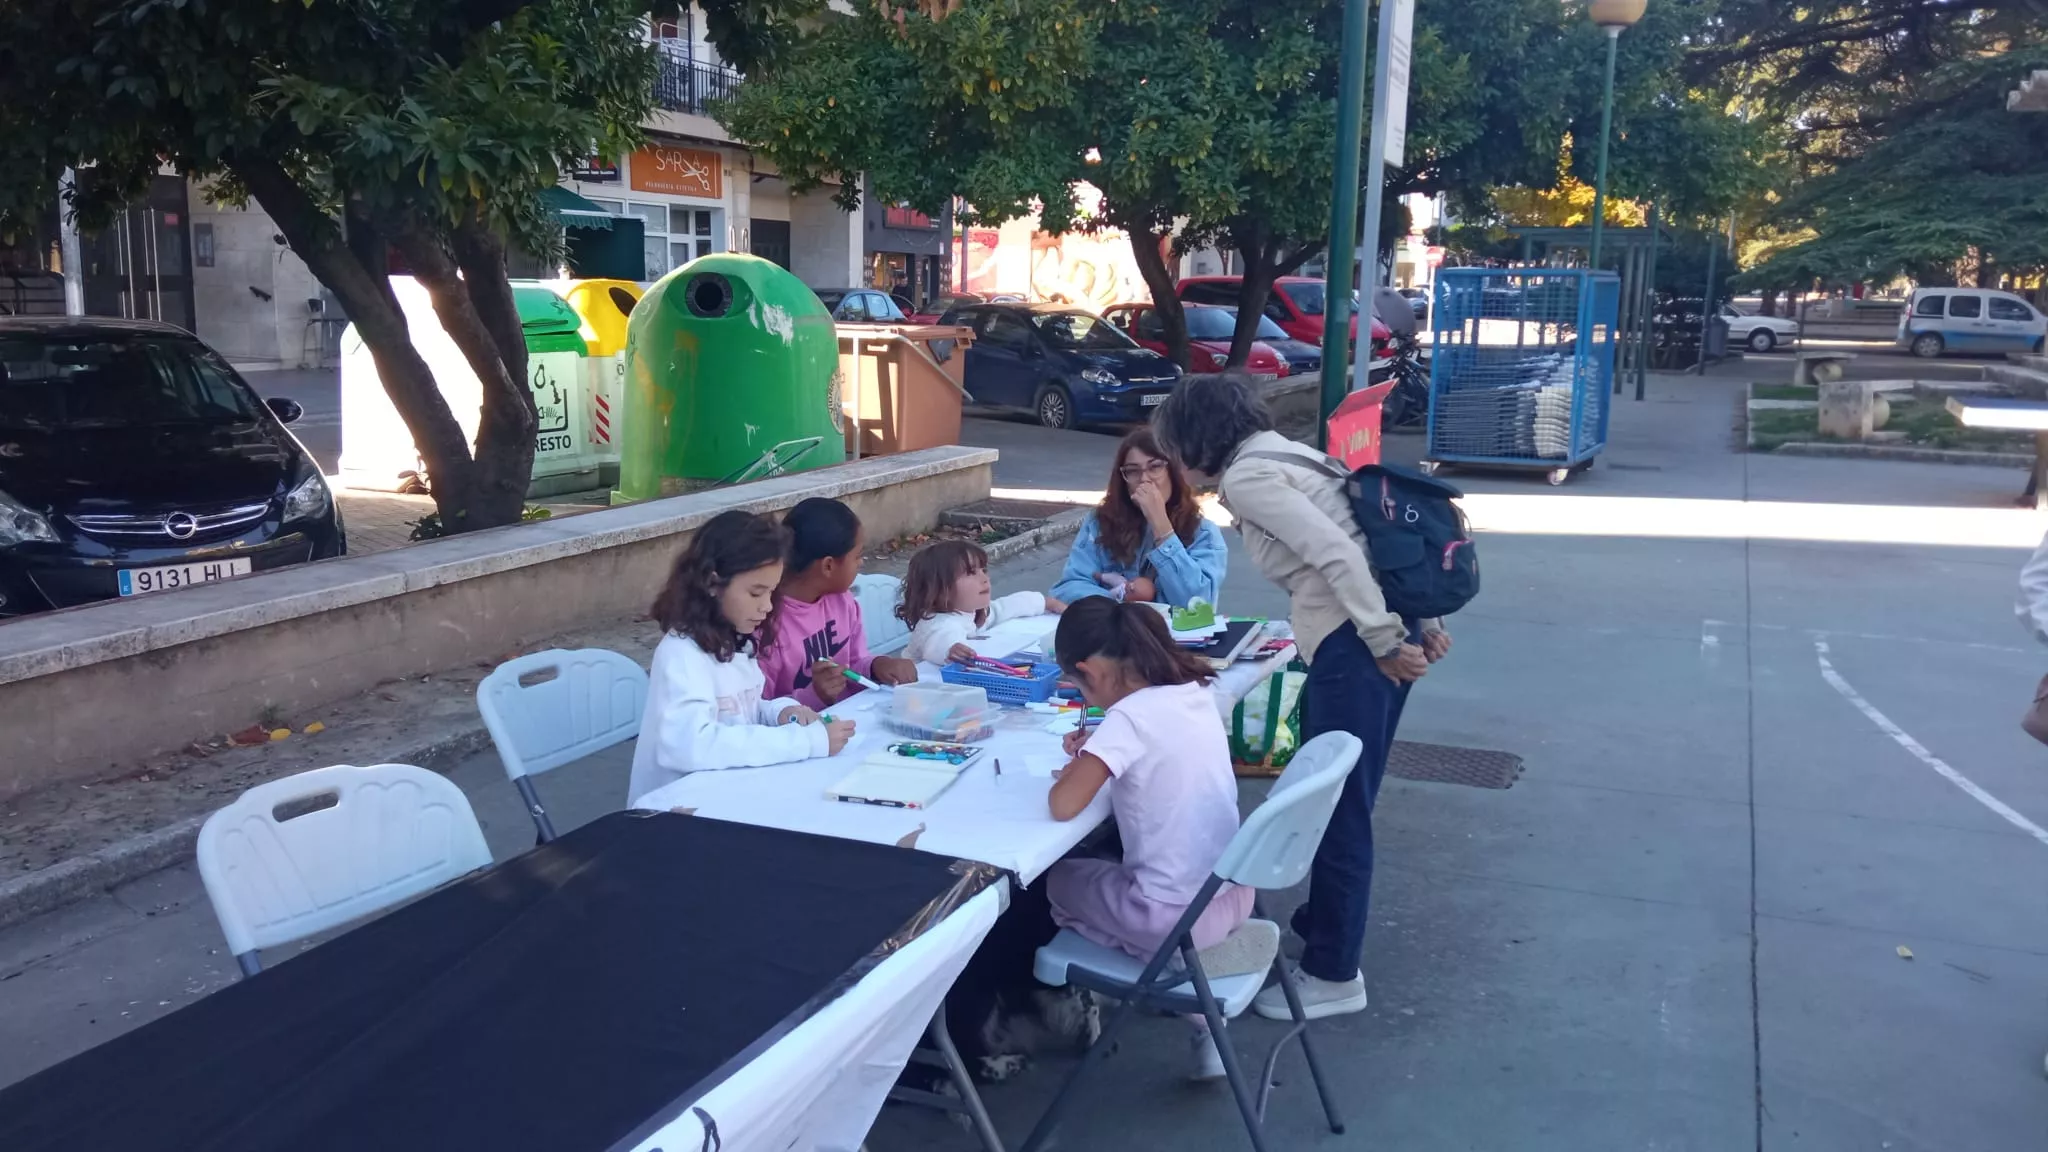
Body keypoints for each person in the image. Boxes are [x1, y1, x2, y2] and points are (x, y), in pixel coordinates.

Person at [1151, 372, 1450, 1022]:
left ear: (1195, 438)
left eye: (1173, 448)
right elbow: (1374, 538)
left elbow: (1338, 552)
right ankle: (1324, 928)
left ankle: (1334, 973)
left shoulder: (1248, 478)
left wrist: (1383, 638)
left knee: (1337, 810)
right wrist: (1416, 624)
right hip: (1374, 628)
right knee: (1345, 795)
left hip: (1354, 642)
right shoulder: (1288, 453)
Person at [1042, 597, 1257, 1078]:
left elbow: (1063, 805)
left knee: (1058, 880)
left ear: (1088, 672)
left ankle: (1175, 983)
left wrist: (1083, 763)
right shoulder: (1194, 691)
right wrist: (1098, 752)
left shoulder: (1127, 720)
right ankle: (1175, 976)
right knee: (1111, 869)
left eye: (1079, 689)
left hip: (1176, 924)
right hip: (1235, 895)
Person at [627, 510, 854, 805]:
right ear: (712, 583)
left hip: (727, 795)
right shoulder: (681, 654)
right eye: (756, 593)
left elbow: (741, 710)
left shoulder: (737, 640)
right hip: (674, 810)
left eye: (771, 593)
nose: (767, 606)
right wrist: (806, 742)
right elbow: (689, 745)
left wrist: (780, 711)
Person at [757, 498, 919, 710]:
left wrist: (876, 666)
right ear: (828, 566)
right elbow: (759, 712)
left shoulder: (842, 601)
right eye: (857, 556)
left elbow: (855, 663)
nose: (861, 562)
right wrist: (813, 696)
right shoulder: (764, 623)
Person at [1050, 427, 1229, 609]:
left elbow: (1197, 604)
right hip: (1111, 626)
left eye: (1155, 467)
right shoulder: (1100, 523)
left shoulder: (1203, 532)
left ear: (1173, 472)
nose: (1144, 479)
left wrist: (1162, 528)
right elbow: (1069, 588)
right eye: (1133, 471)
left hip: (1169, 628)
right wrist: (1121, 604)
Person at [899, 539, 1066, 664]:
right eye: (971, 573)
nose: (984, 578)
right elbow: (938, 642)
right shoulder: (936, 623)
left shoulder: (972, 612)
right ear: (940, 589)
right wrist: (952, 649)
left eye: (984, 570)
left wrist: (1047, 603)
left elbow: (1007, 607)